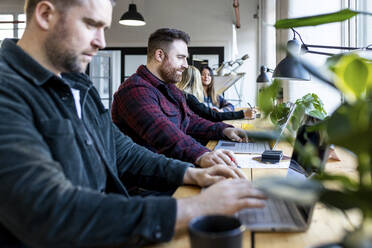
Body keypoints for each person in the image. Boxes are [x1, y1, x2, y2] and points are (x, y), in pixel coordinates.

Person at [0, 1, 266, 247]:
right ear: (45, 15)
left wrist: (190, 173)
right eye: (91, 25)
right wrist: (198, 207)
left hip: (115, 222)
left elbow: (123, 151)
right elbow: (51, 211)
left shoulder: (79, 85)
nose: (101, 42)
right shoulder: (7, 91)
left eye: (104, 28)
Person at [112, 28, 248, 168]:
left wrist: (223, 130)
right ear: (159, 55)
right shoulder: (134, 90)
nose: (185, 65)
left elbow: (189, 121)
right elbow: (162, 131)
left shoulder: (170, 88)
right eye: (180, 57)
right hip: (148, 184)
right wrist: (202, 154)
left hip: (176, 170)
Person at [177, 65, 255, 122]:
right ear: (196, 79)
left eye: (209, 75)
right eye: (202, 75)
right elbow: (213, 116)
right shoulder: (190, 97)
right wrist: (242, 113)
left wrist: (221, 111)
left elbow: (230, 106)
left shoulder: (215, 95)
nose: (206, 77)